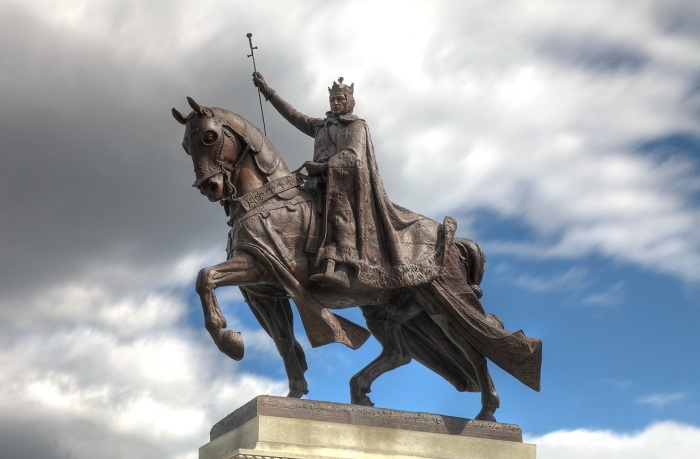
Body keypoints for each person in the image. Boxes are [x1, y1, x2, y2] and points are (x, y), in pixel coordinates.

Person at [253, 72, 455, 292]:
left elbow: (353, 156)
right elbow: (293, 115)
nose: (336, 103)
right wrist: (267, 91)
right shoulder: (319, 126)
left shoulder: (356, 125)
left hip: (345, 184)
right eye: (333, 100)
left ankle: (343, 266)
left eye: (340, 99)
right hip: (318, 184)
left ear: (349, 102)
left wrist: (323, 167)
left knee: (340, 211)